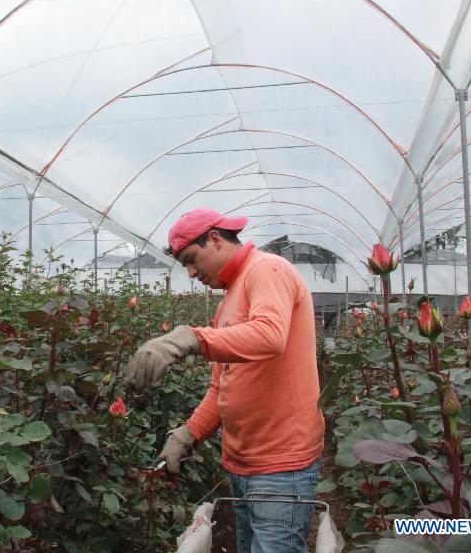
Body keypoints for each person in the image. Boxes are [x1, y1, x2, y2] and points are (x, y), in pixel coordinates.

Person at [126, 208, 325, 553]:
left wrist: (189, 337)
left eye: (192, 259)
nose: (191, 273)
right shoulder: (228, 300)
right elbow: (223, 385)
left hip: (280, 467)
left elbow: (270, 335)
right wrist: (188, 434)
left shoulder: (268, 270)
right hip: (243, 465)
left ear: (215, 239)